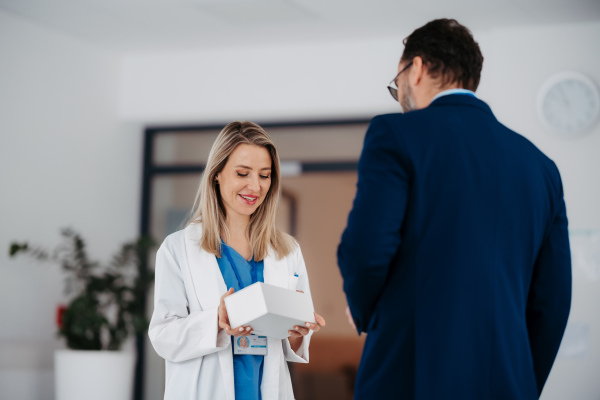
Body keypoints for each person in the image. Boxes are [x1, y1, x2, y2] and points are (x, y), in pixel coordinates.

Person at [337, 18, 571, 400]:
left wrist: (366, 312)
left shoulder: (396, 135)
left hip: (411, 378)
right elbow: (553, 301)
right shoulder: (540, 167)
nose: (399, 95)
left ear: (416, 69)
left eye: (397, 84)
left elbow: (364, 250)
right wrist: (522, 383)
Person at [149, 121, 326, 400]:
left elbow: (289, 345)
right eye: (243, 173)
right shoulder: (178, 249)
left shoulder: (287, 250)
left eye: (264, 175)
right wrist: (215, 321)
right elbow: (163, 336)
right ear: (217, 173)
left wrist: (299, 330)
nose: (255, 186)